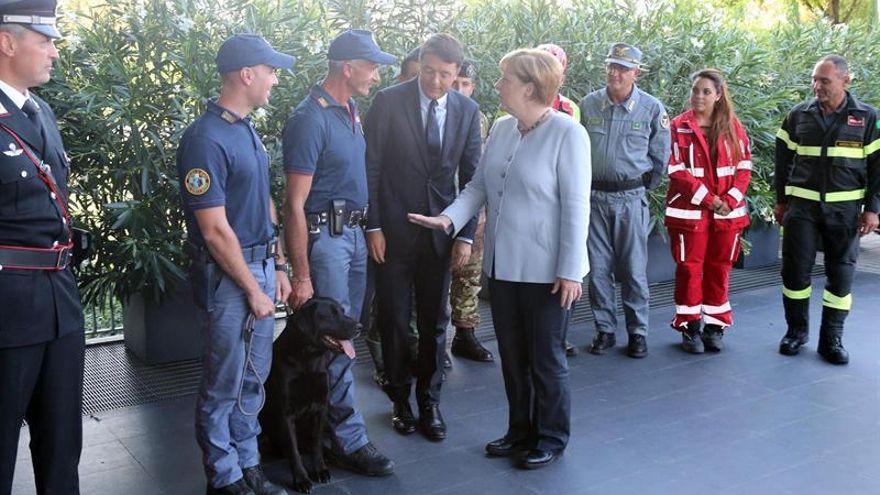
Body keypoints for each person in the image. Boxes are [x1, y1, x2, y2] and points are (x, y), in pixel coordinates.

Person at [410, 48, 590, 469]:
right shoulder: (504, 129)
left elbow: (577, 207)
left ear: (529, 86)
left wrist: (569, 270)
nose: (497, 85)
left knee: (545, 359)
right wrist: (447, 221)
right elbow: (477, 186)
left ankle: (551, 436)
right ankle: (520, 430)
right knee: (513, 357)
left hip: (549, 274)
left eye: (504, 78)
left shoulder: (568, 133)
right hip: (504, 269)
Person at [177, 34, 294, 495]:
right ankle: (223, 476)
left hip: (260, 269)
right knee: (225, 381)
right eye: (270, 70)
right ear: (247, 74)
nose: (275, 78)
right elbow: (214, 230)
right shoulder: (205, 138)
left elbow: (262, 199)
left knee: (253, 378)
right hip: (231, 279)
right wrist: (252, 287)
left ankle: (249, 466)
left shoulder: (244, 128)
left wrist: (279, 265)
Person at [282, 29, 395, 476]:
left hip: (351, 237)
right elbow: (293, 203)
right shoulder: (309, 118)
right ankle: (347, 441)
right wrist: (302, 275)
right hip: (325, 242)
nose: (376, 74)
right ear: (347, 67)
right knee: (337, 341)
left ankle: (330, 432)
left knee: (344, 335)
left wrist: (369, 228)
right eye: (371, 66)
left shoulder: (350, 111)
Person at [364, 33, 482, 441]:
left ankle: (430, 402)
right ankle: (399, 400)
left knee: (435, 323)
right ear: (420, 64)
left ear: (457, 74)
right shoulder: (388, 101)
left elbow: (473, 179)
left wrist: (464, 234)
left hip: (442, 235)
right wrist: (373, 226)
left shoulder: (467, 111)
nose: (435, 81)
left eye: (445, 75)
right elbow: (372, 168)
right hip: (392, 234)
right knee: (394, 321)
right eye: (429, 71)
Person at [0, 2, 85, 494]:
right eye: (45, 40)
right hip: (8, 310)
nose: (54, 52)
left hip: (58, 299)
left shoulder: (40, 110)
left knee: (61, 445)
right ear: (7, 43)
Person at [775, 54, 880, 365]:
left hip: (845, 212)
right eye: (814, 79)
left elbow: (877, 169)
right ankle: (796, 332)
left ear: (845, 80)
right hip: (802, 209)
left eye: (824, 80)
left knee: (841, 276)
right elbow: (782, 162)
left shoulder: (868, 118)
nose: (816, 86)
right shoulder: (797, 116)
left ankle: (831, 339)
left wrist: (873, 209)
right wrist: (781, 201)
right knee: (795, 273)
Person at [579, 42, 671, 358]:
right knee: (599, 269)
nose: (615, 73)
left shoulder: (652, 109)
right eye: (612, 66)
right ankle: (605, 330)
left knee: (633, 270)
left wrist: (639, 189)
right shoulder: (588, 106)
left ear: (636, 73)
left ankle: (638, 333)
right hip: (594, 199)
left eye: (623, 68)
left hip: (631, 199)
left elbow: (660, 160)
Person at [664, 68, 752, 353]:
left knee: (720, 268)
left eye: (706, 91)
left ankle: (715, 326)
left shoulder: (733, 126)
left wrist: (731, 198)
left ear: (718, 96)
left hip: (727, 215)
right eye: (695, 90)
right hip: (690, 216)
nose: (698, 96)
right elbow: (676, 169)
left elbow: (744, 166)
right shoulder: (677, 126)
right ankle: (690, 327)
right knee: (689, 269)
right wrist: (710, 200)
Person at [448, 59, 494, 363]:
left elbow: (482, 168)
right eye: (456, 83)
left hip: (471, 207)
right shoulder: (432, 113)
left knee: (469, 274)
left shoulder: (480, 119)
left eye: (466, 84)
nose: (460, 90)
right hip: (437, 206)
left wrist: (482, 212)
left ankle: (465, 334)